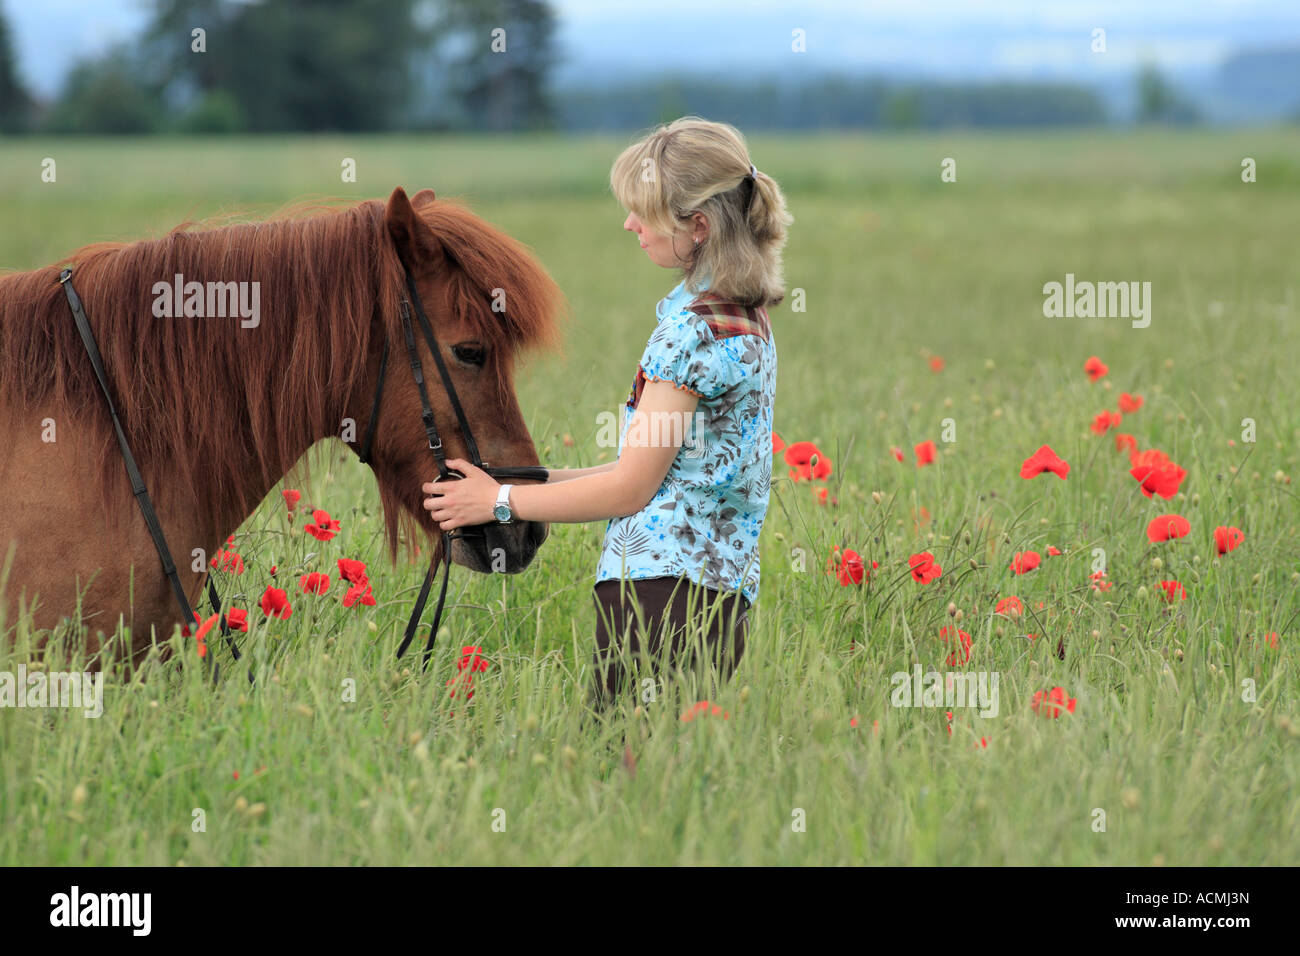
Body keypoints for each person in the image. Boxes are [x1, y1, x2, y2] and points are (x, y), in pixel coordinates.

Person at [422, 116, 792, 712]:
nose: (629, 224)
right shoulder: (745, 320)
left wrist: (496, 504)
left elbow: (630, 490)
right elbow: (659, 473)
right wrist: (524, 480)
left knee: (624, 767)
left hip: (656, 595)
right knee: (671, 776)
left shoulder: (689, 335)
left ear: (697, 227)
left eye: (644, 212)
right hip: (722, 595)